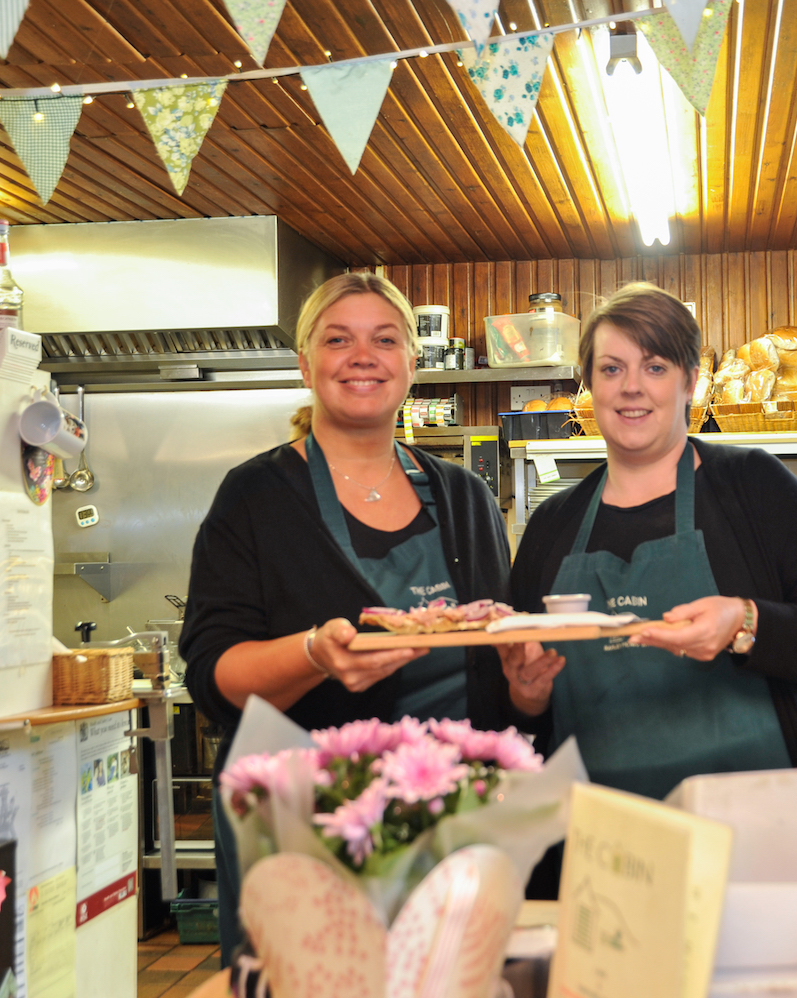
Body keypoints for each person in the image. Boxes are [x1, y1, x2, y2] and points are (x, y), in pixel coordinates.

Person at [180, 272, 511, 961]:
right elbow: (213, 676)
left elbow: (493, 666)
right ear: (306, 364)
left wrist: (528, 679)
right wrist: (310, 653)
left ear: (411, 364)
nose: (363, 356)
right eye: (339, 339)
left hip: (450, 821)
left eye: (385, 339)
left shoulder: (464, 497)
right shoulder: (255, 496)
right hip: (304, 829)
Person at [501, 282, 797, 875]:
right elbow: (519, 717)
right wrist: (525, 696)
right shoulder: (552, 525)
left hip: (762, 837)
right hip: (600, 849)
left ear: (690, 380)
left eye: (654, 365)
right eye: (611, 367)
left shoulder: (754, 488)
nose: (631, 387)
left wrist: (747, 623)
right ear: (588, 385)